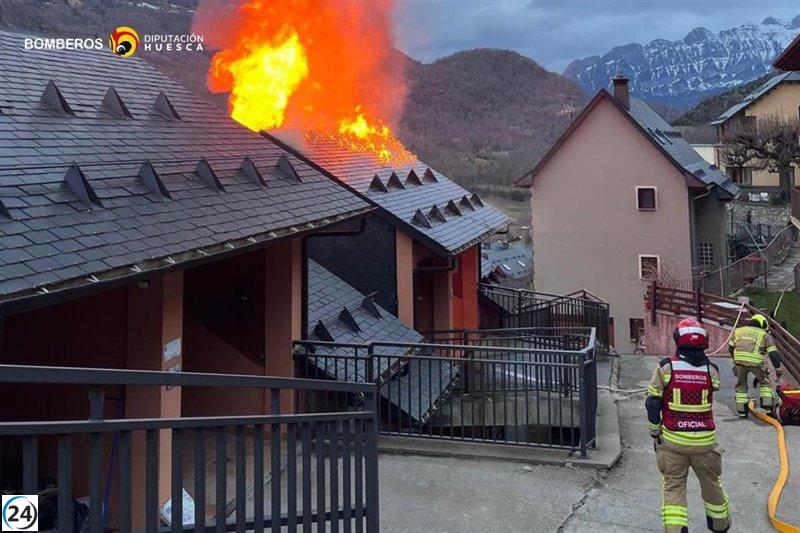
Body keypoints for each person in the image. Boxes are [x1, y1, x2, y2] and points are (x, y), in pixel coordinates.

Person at [646, 318, 731, 533]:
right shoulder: (711, 370)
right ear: (704, 343)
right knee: (712, 484)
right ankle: (720, 525)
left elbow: (653, 402)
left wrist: (655, 432)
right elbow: (715, 387)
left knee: (674, 488)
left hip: (673, 442)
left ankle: (676, 530)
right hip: (705, 443)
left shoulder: (666, 368)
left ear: (678, 341)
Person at [729, 314, 782, 417]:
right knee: (765, 382)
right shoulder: (764, 334)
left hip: (739, 361)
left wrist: (735, 359)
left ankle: (742, 412)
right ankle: (768, 409)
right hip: (756, 362)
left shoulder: (738, 331)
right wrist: (778, 368)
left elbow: (730, 348)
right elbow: (773, 354)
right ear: (762, 325)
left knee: (741, 385)